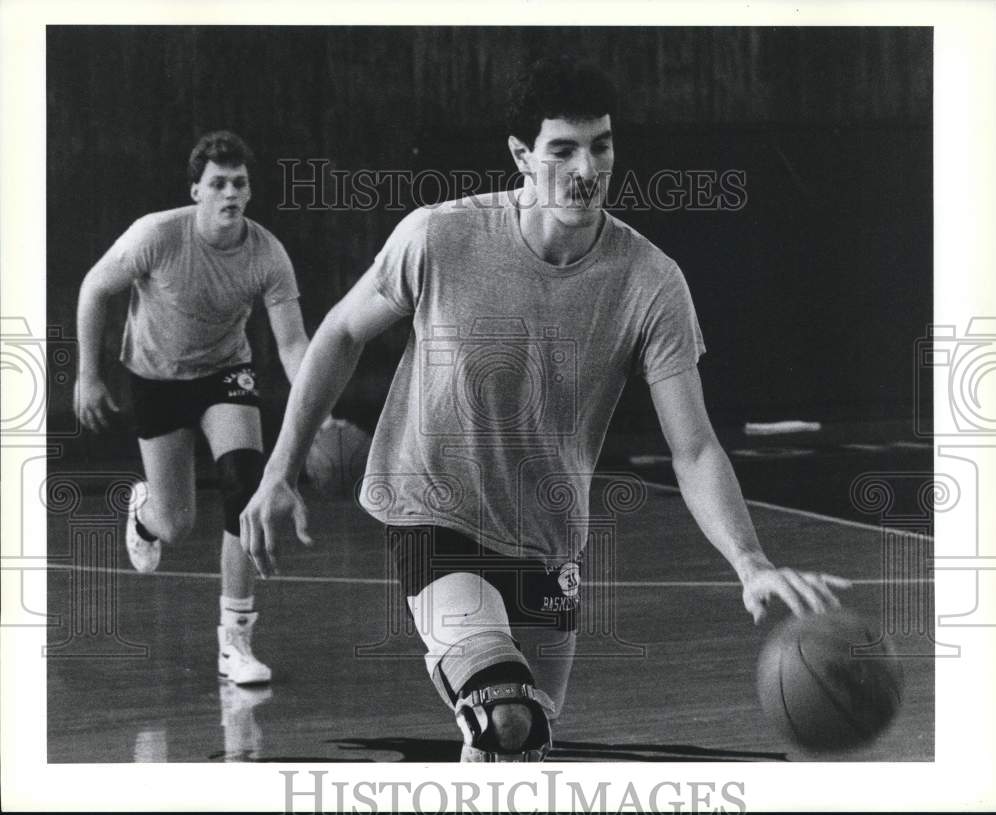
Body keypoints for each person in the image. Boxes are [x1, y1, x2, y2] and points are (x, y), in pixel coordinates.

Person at [240, 57, 851, 759]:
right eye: (563, 149)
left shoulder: (650, 282)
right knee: (507, 716)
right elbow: (342, 333)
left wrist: (750, 561)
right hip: (434, 514)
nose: (587, 167)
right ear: (522, 156)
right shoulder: (438, 237)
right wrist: (280, 471)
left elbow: (695, 447)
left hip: (547, 537)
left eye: (602, 144)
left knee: (515, 750)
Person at [75, 131, 310, 685]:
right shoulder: (157, 235)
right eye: (218, 184)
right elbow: (93, 289)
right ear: (196, 191)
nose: (230, 193)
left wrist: (316, 411)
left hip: (226, 373)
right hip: (155, 379)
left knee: (243, 484)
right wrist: (87, 375)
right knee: (177, 524)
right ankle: (145, 514)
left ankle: (235, 641)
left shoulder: (267, 253)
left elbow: (295, 346)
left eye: (240, 183)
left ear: (249, 191)